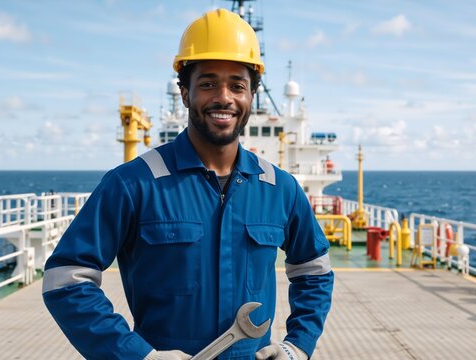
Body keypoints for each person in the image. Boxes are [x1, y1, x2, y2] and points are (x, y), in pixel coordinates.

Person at [42, 8, 333, 360]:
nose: (223, 97)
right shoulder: (134, 184)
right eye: (208, 83)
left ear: (251, 96)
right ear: (184, 93)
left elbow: (314, 272)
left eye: (237, 85)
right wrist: (138, 356)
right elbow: (66, 280)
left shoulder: (279, 188)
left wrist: (296, 347)